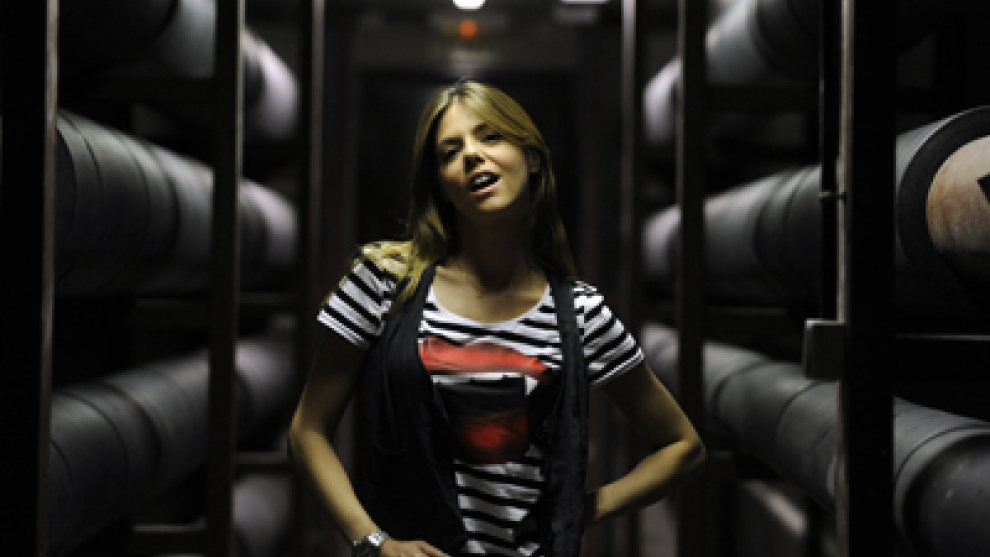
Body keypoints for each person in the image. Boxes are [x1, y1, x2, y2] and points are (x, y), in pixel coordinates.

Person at [289, 79, 705, 557]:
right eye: (450, 153)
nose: (471, 155)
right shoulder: (384, 282)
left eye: (490, 137)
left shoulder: (580, 314)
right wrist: (373, 541)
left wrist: (582, 509)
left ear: (531, 158)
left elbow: (683, 448)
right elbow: (307, 431)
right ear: (442, 188)